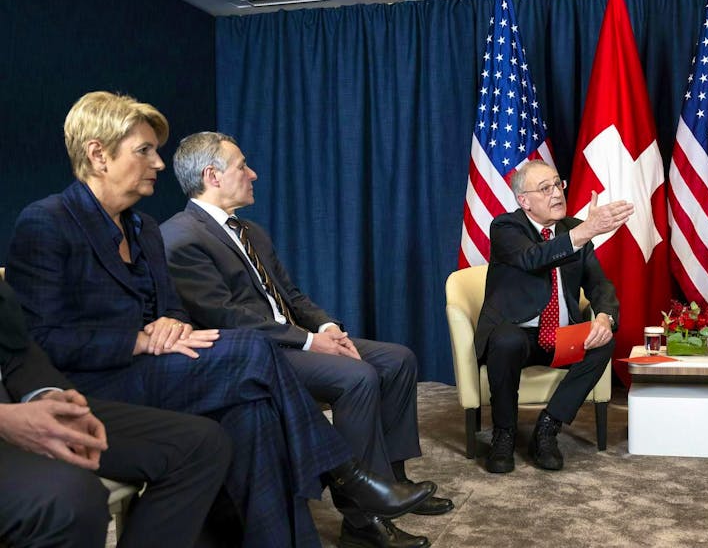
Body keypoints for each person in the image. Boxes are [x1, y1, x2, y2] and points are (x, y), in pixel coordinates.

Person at [6, 91, 435, 548]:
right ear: (98, 155)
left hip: (152, 373)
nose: (159, 164)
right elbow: (41, 342)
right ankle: (344, 472)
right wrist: (138, 340)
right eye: (145, 151)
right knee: (251, 348)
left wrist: (169, 325)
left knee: (254, 415)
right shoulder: (47, 222)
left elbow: (170, 307)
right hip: (95, 384)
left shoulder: (144, 228)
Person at [159, 132, 453, 524]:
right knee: (357, 377)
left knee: (398, 360)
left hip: (295, 338)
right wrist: (312, 342)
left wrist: (327, 327)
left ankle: (392, 480)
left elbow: (292, 297)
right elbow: (228, 317)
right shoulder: (181, 237)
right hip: (258, 353)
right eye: (242, 166)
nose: (254, 174)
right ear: (212, 176)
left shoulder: (251, 232)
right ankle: (363, 518)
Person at [0, 278, 232, 548]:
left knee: (202, 444)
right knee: (71, 500)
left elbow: (16, 347)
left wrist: (46, 394)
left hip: (22, 398)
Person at [474, 160, 631, 473]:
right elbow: (534, 259)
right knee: (505, 340)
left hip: (559, 336)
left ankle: (548, 427)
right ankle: (503, 434)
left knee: (603, 343)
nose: (556, 193)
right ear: (524, 201)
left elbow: (599, 285)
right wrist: (586, 231)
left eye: (558, 184)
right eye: (545, 189)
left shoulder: (573, 230)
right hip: (517, 334)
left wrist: (603, 318)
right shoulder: (506, 227)